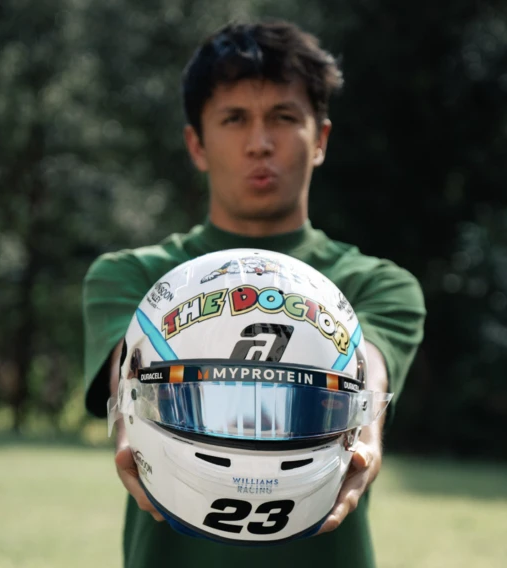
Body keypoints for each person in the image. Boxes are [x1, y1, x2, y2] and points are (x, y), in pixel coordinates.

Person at [83, 19, 426, 568]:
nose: (259, 143)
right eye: (234, 118)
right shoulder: (130, 276)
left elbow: (368, 366)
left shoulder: (377, 284)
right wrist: (127, 425)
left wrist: (365, 431)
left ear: (321, 140)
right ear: (196, 143)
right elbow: (132, 362)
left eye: (284, 118)